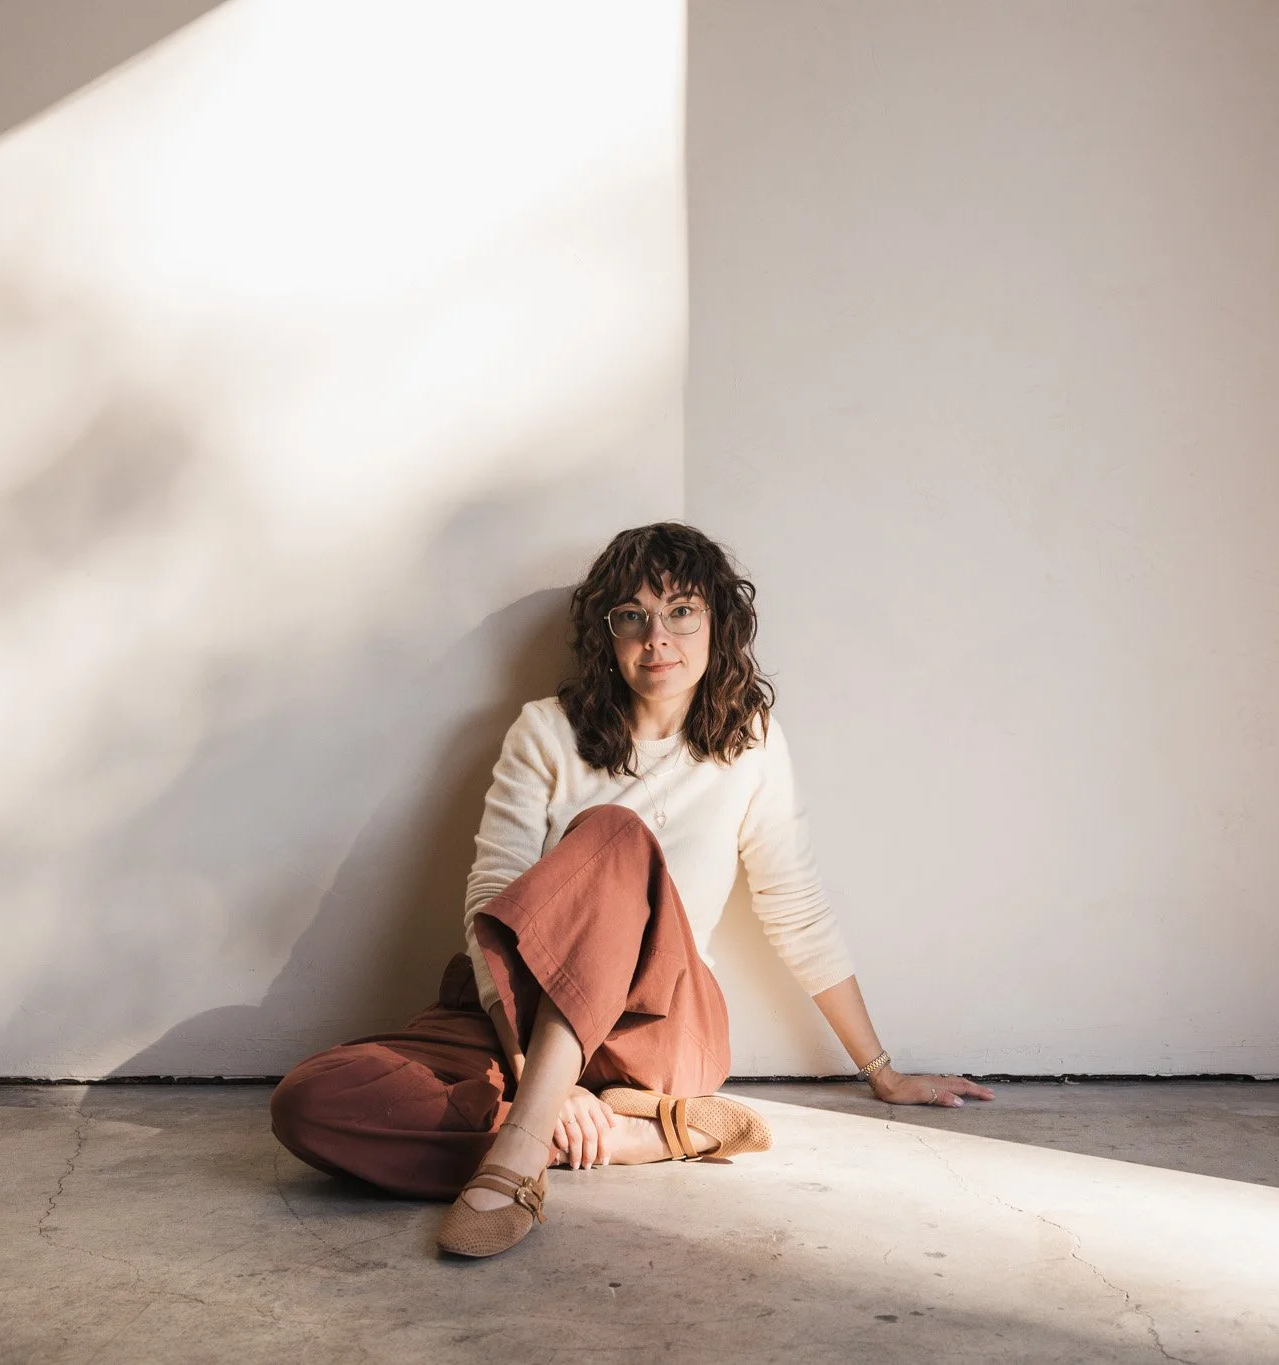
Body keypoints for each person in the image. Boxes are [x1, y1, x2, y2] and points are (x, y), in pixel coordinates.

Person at [269, 522, 992, 1257]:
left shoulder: (751, 743)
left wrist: (882, 1071)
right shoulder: (545, 731)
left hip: (659, 1025)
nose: (658, 637)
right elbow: (492, 897)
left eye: (682, 611)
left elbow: (794, 904)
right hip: (518, 1015)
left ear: (718, 622)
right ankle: (633, 1133)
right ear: (606, 634)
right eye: (633, 616)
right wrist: (536, 1074)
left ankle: (522, 1147)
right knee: (312, 1100)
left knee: (613, 834)